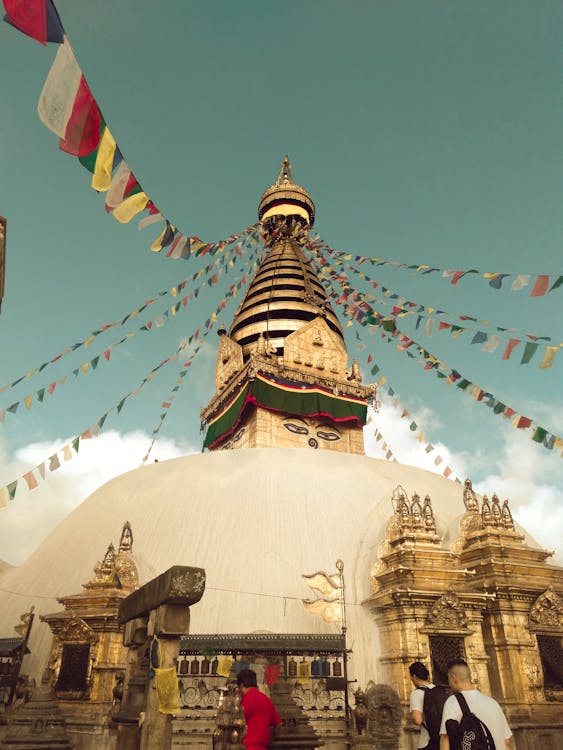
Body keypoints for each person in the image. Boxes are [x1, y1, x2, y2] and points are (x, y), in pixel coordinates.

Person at [439, 660, 512, 750]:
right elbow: (506, 742)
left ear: (453, 678)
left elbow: (445, 738)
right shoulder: (493, 703)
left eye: (448, 678)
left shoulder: (453, 702)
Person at [237, 668, 282, 750]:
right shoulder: (266, 700)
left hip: (246, 747)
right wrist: (270, 741)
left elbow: (236, 724)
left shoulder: (245, 701)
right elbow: (278, 724)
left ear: (241, 685)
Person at [409, 661, 444, 750]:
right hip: (443, 739)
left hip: (427, 741)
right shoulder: (439, 690)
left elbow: (418, 720)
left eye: (411, 677)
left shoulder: (416, 694)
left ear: (414, 676)